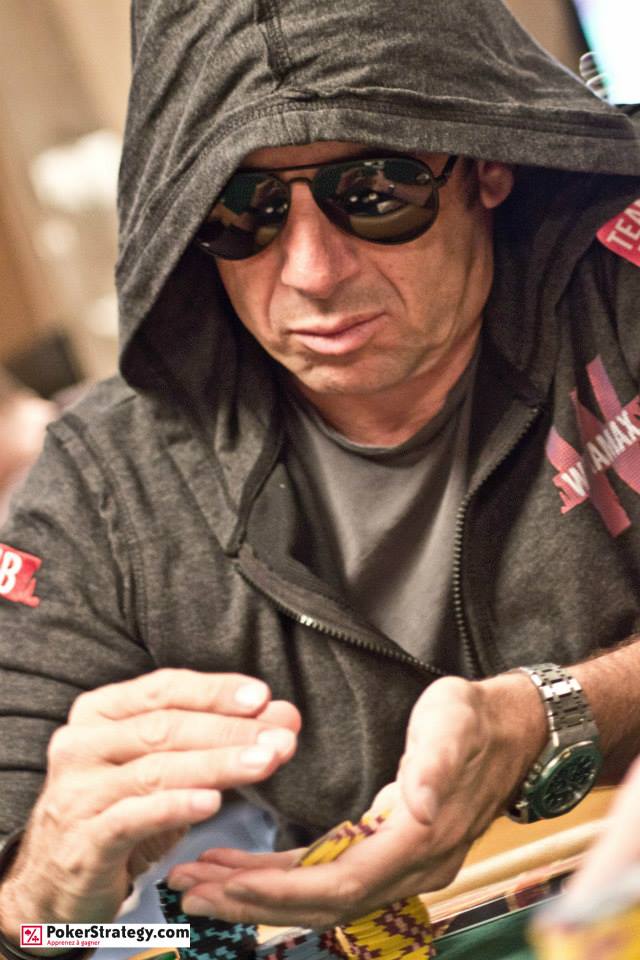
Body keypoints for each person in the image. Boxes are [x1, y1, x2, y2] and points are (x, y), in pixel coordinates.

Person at [1, 0, 640, 947]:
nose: (311, 271)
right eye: (242, 210)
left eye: (375, 190)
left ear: (486, 162)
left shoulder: (622, 286)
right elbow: (27, 906)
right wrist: (41, 891)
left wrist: (552, 718)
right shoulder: (107, 486)